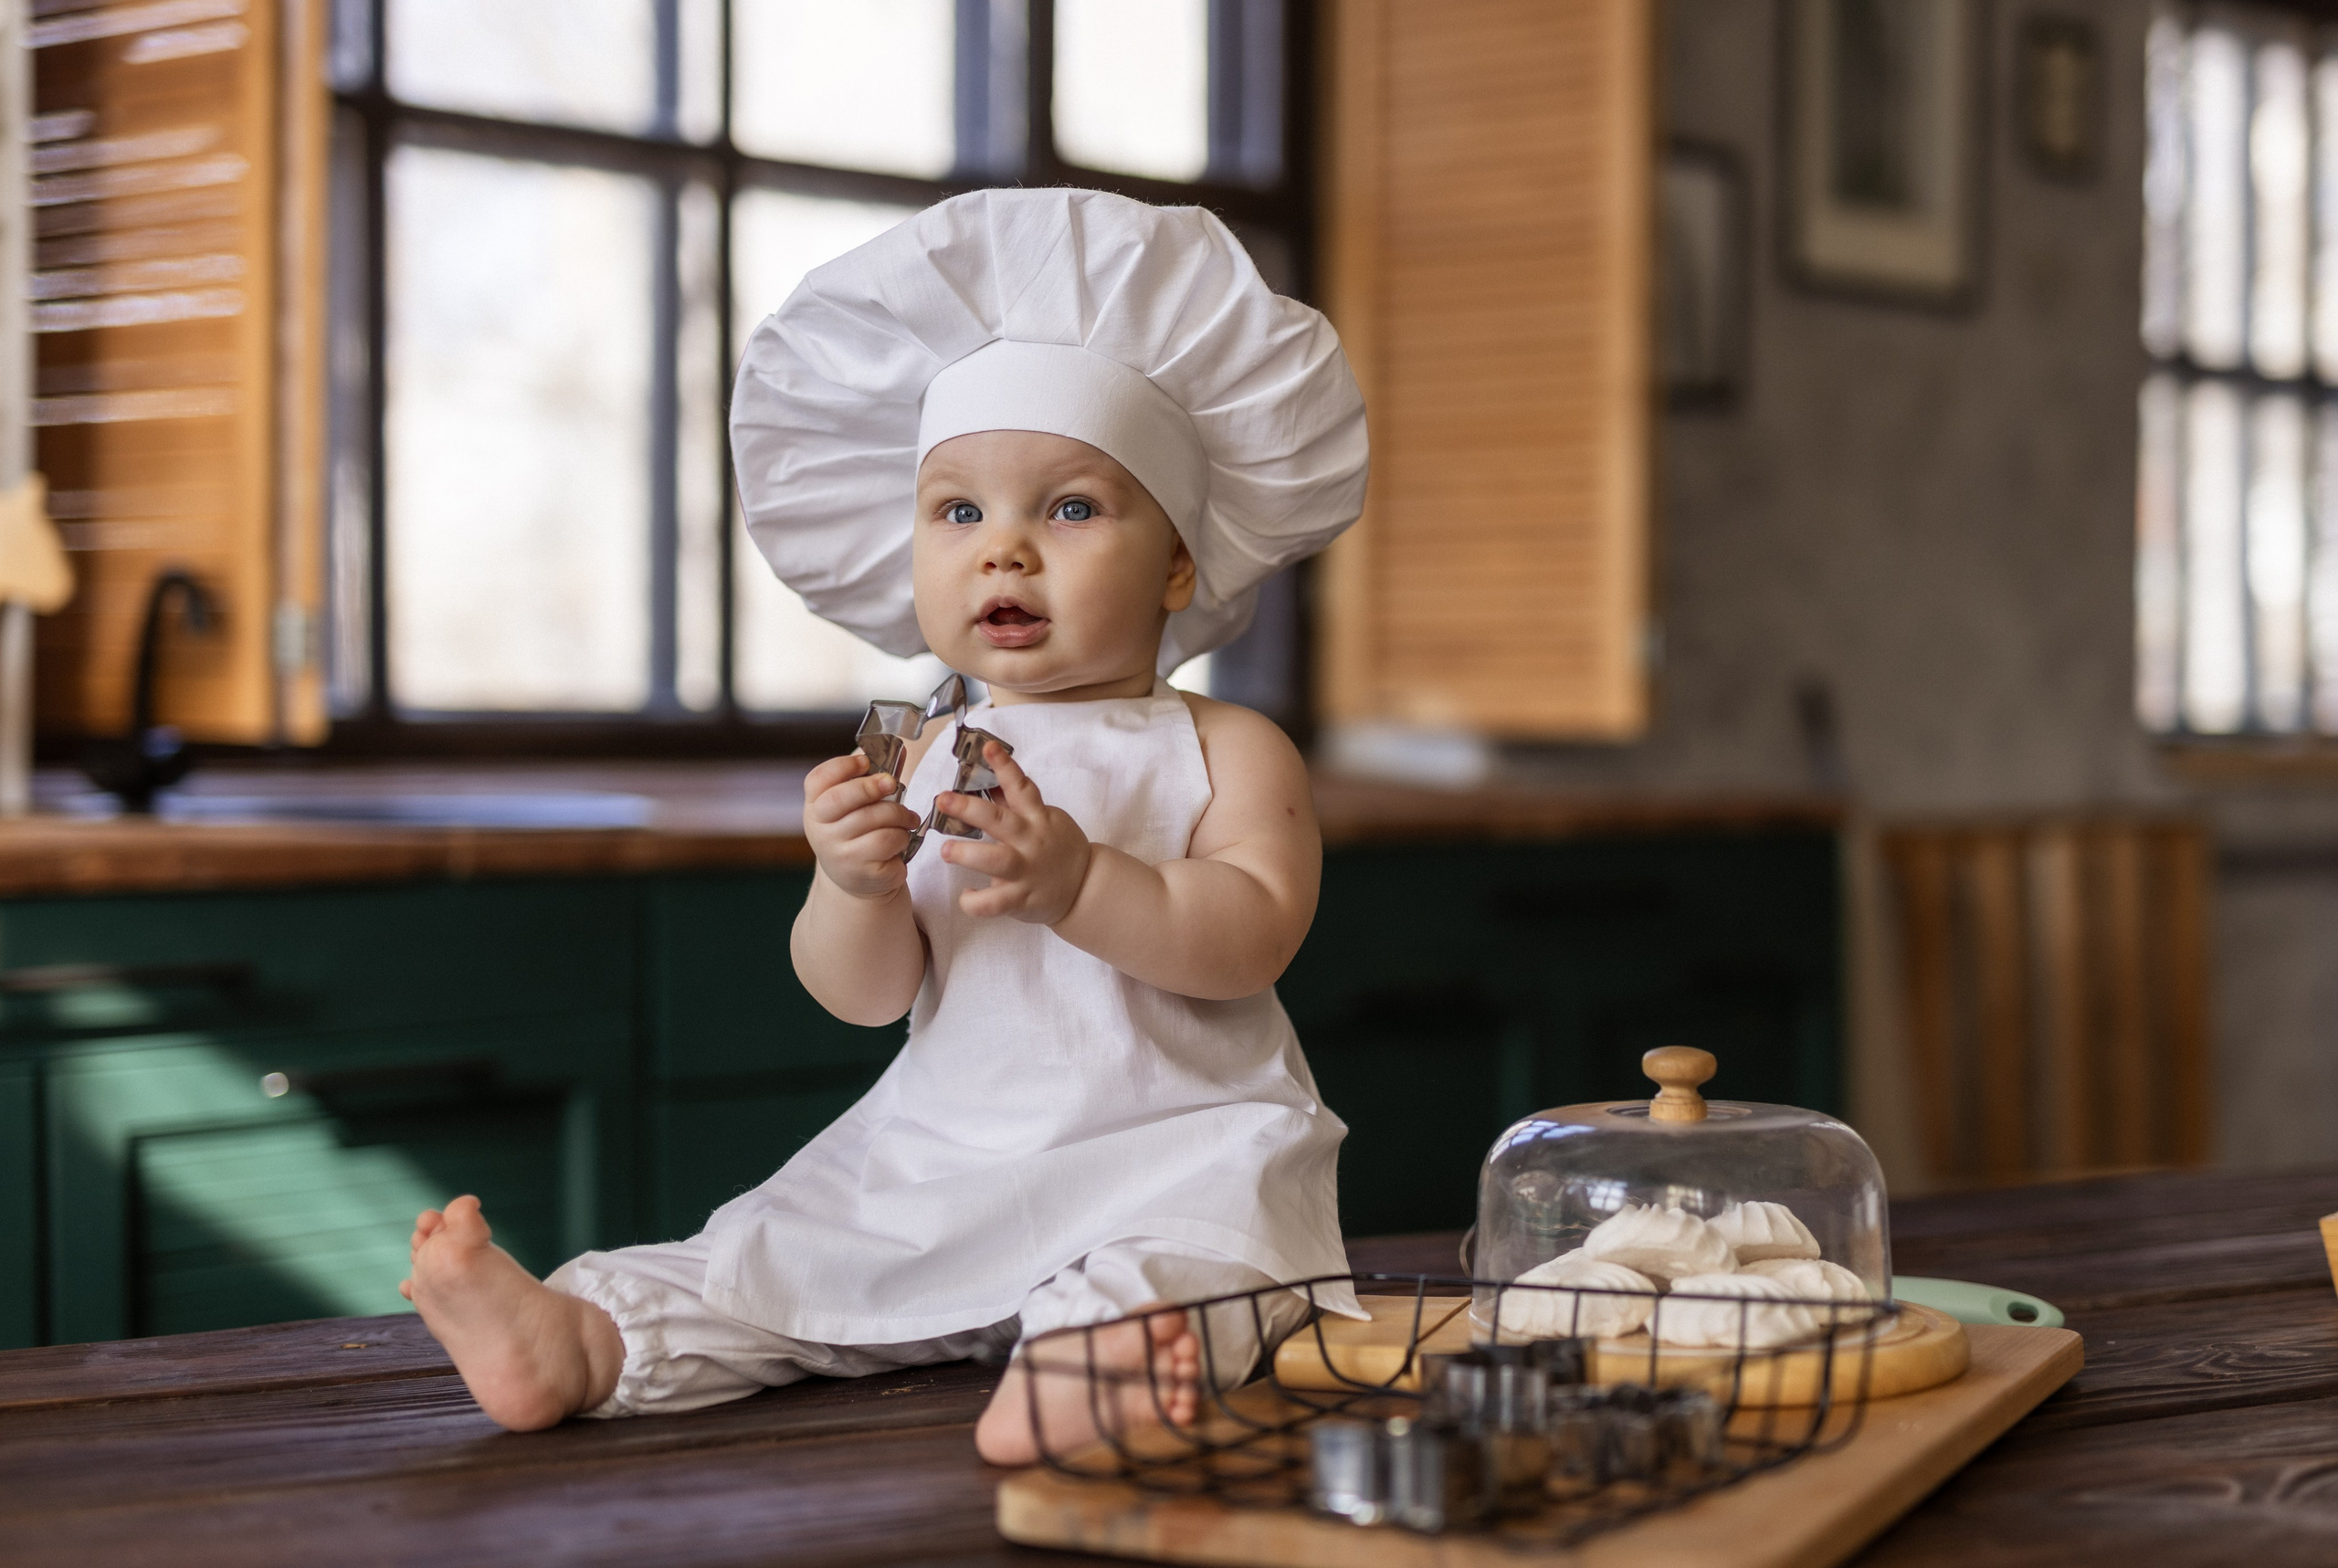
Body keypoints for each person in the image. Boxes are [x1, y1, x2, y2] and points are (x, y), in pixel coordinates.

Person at [398, 187, 1371, 1465]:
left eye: (1071, 508)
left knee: (1193, 1266)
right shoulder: (915, 752)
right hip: (948, 1153)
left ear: (1180, 561)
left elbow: (1250, 940)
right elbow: (862, 1000)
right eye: (959, 512)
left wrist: (1082, 881)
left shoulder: (1227, 747)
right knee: (782, 1251)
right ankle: (587, 1341)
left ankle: (1094, 1373)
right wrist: (850, 886)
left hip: (1175, 1152)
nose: (1004, 552)